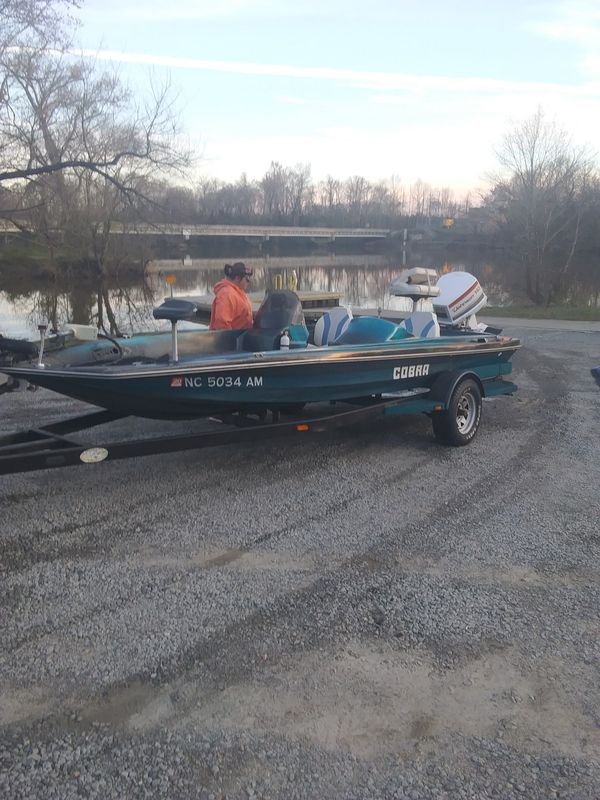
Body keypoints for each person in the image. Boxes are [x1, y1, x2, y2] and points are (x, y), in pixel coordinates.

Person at [209, 262, 254, 330]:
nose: (249, 281)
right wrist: (231, 339)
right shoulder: (227, 294)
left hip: (242, 336)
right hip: (231, 338)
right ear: (237, 278)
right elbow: (222, 324)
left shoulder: (239, 291)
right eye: (247, 278)